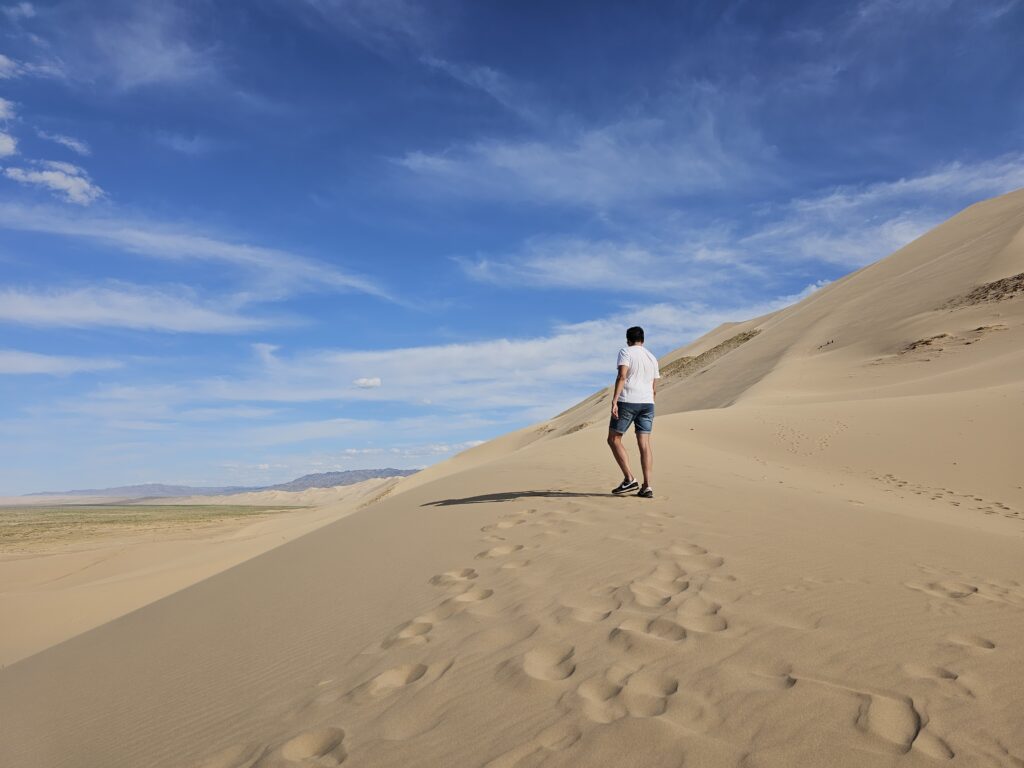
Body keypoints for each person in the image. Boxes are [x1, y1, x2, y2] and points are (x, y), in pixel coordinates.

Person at [607, 326, 660, 498]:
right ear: (643, 340)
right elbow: (654, 387)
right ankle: (647, 486)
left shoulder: (626, 352)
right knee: (644, 444)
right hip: (648, 403)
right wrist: (650, 401)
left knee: (614, 439)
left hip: (628, 400)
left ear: (628, 340)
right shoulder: (652, 357)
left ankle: (629, 478)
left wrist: (615, 400)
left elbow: (622, 376)